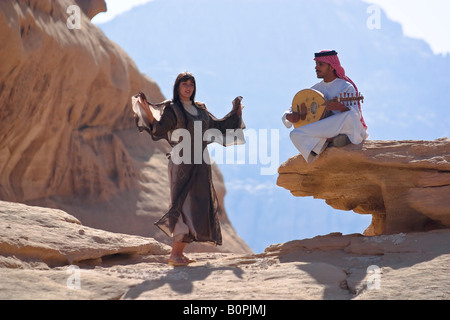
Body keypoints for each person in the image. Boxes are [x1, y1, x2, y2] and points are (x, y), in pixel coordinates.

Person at [132, 72, 245, 266]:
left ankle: (180, 253)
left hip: (200, 163)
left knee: (197, 207)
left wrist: (235, 115)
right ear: (177, 87)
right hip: (181, 163)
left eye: (191, 84)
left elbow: (216, 126)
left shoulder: (200, 109)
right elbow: (158, 129)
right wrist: (146, 110)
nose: (188, 87)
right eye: (184, 84)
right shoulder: (173, 109)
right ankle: (174, 254)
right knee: (181, 206)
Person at [282, 50, 368, 163]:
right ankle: (328, 141)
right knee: (295, 134)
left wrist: (341, 107)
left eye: (320, 64)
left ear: (331, 67)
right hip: (325, 128)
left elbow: (356, 115)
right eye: (316, 64)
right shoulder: (315, 89)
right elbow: (291, 109)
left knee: (350, 115)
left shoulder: (346, 87)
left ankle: (331, 140)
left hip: (341, 126)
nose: (316, 68)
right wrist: (289, 116)